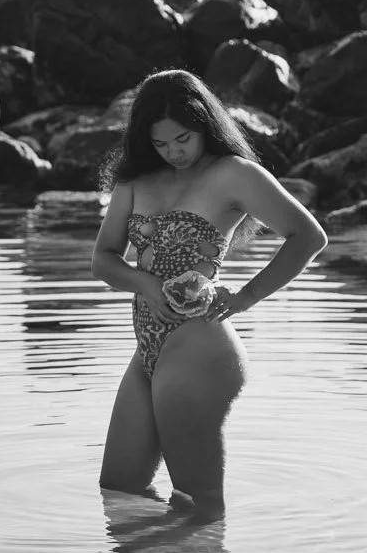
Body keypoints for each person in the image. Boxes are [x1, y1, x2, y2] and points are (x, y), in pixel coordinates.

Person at [91, 70, 327, 520]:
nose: (174, 152)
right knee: (119, 488)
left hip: (198, 343)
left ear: (204, 125)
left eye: (183, 138)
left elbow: (308, 237)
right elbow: (103, 259)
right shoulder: (135, 179)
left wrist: (246, 296)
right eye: (161, 144)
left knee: (196, 503)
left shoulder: (232, 174)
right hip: (148, 347)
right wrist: (145, 283)